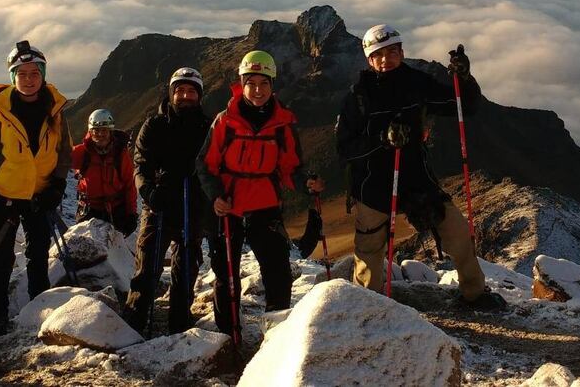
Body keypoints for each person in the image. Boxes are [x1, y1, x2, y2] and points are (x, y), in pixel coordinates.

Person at [336, 24, 504, 308]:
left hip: (416, 179)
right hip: (373, 184)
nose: (386, 59)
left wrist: (464, 78)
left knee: (458, 233)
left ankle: (474, 294)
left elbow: (461, 105)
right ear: (369, 59)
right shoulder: (358, 97)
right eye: (378, 54)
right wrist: (383, 140)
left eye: (392, 52)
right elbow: (345, 149)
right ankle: (367, 305)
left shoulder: (416, 83)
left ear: (402, 52)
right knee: (369, 251)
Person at [196, 51, 324, 338]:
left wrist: (306, 183)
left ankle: (275, 334)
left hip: (265, 204)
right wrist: (216, 195)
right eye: (251, 83)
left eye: (263, 84)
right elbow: (206, 165)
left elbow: (290, 167)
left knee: (277, 271)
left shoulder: (282, 123)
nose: (257, 90)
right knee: (226, 276)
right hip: (227, 206)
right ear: (241, 84)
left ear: (272, 85)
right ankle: (228, 336)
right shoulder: (225, 121)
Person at [0, 40, 73, 335]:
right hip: (5, 195)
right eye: (21, 74)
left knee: (39, 255)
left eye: (34, 73)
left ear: (43, 75)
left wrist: (58, 184)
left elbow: (64, 151)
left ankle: (39, 310)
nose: (28, 80)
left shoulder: (55, 110)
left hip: (41, 195)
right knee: (0, 258)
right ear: (12, 77)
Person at [122, 67, 214, 335]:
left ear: (199, 95)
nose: (185, 96)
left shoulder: (207, 128)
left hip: (192, 206)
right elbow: (141, 163)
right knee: (147, 268)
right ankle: (135, 323)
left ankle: (180, 322)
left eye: (190, 91)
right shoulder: (155, 125)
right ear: (171, 94)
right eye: (180, 91)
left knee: (186, 270)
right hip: (159, 206)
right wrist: (149, 192)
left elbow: (214, 165)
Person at [71, 109, 138, 236]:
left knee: (115, 250)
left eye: (104, 130)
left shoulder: (120, 155)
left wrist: (131, 214)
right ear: (90, 132)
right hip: (89, 210)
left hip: (116, 210)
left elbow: (129, 184)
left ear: (110, 131)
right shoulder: (81, 153)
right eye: (96, 130)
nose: (100, 134)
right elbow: (57, 162)